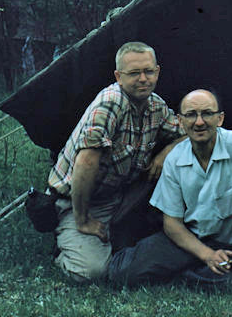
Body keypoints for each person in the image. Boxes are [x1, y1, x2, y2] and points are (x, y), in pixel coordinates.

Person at [106, 89, 232, 287]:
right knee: (124, 273)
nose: (199, 122)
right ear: (180, 122)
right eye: (191, 115)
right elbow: (172, 224)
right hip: (187, 241)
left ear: (220, 119)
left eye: (207, 113)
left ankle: (177, 276)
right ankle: (193, 272)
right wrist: (206, 255)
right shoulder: (174, 158)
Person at [47, 41, 186, 282]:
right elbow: (86, 164)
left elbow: (188, 131)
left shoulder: (156, 105)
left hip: (121, 196)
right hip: (82, 200)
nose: (143, 79)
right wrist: (84, 220)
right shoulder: (110, 103)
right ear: (118, 76)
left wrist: (167, 151)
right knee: (90, 272)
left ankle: (117, 234)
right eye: (134, 73)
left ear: (158, 72)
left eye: (149, 71)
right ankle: (68, 241)